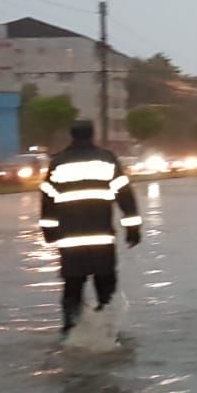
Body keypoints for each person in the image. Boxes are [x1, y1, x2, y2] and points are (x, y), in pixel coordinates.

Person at [40, 120, 142, 336]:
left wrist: (49, 232)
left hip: (70, 241)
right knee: (106, 289)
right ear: (92, 135)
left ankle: (71, 332)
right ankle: (107, 333)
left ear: (72, 135)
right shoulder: (107, 160)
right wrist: (133, 228)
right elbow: (125, 196)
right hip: (102, 239)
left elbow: (47, 200)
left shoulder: (58, 163)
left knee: (72, 289)